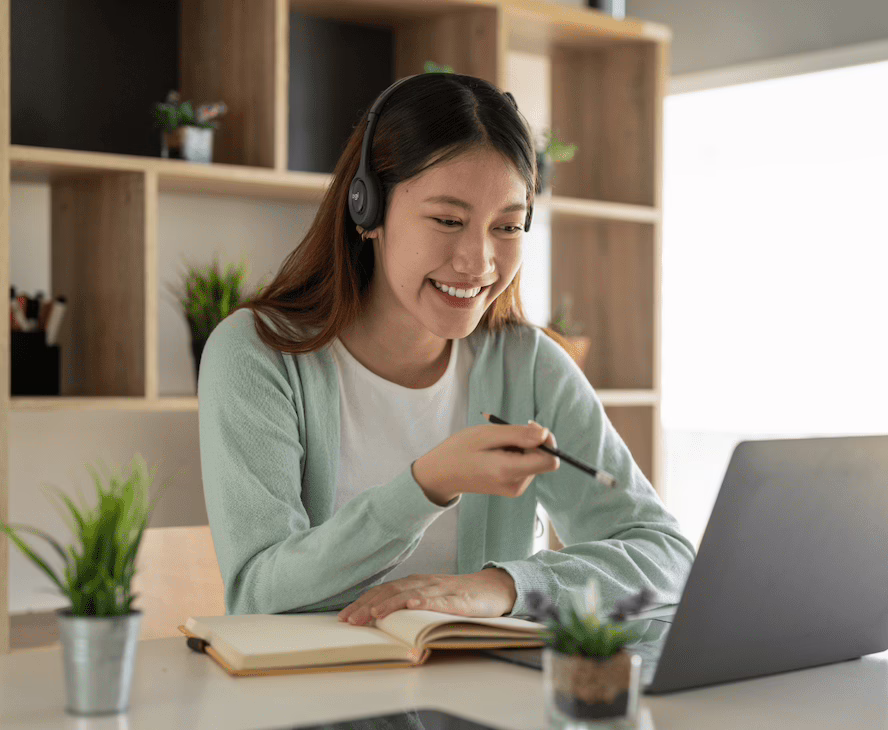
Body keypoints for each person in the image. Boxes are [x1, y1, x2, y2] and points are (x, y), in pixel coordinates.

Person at [197, 72, 696, 625]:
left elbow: (668, 557)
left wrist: (506, 587)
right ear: (367, 210)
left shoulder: (528, 366)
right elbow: (257, 594)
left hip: (480, 700)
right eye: (448, 220)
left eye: (507, 227)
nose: (478, 262)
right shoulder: (257, 355)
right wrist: (427, 485)